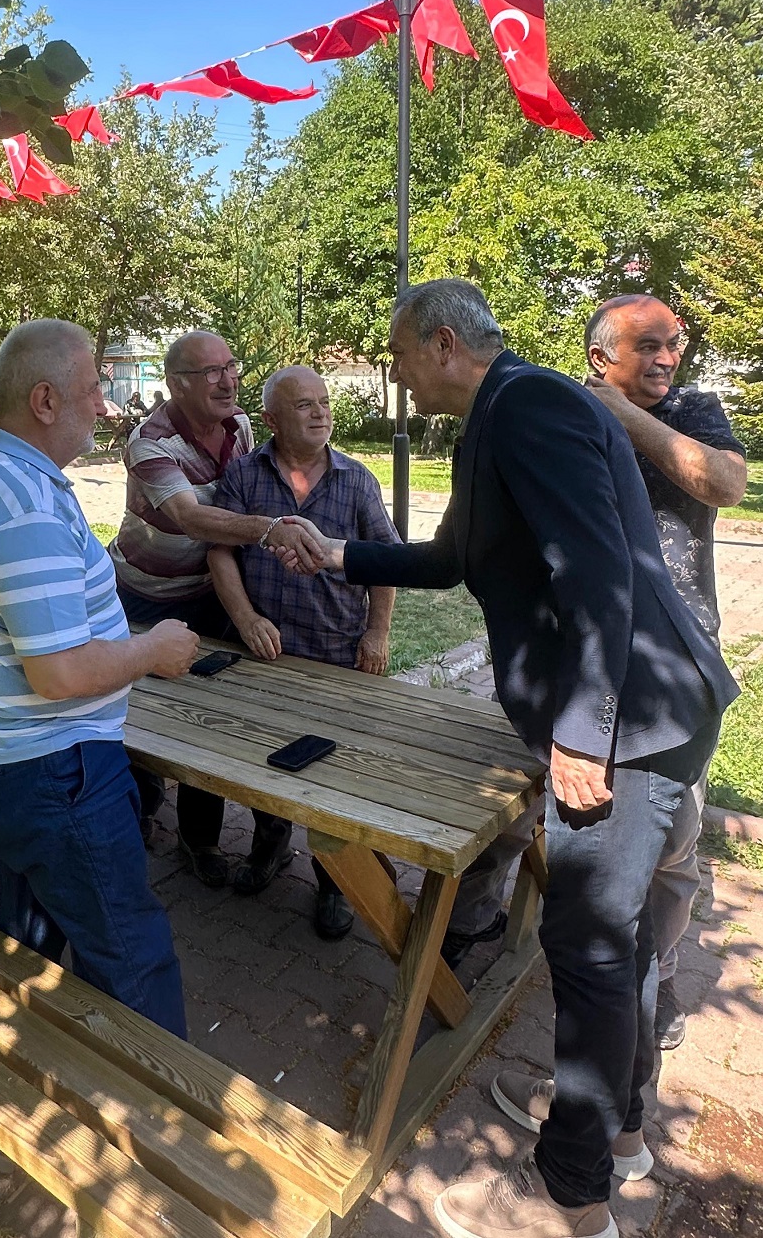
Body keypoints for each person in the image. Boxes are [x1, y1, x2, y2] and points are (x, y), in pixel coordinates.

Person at [282, 279, 738, 1238]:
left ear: (444, 342)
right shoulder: (497, 413)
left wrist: (582, 730)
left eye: (400, 354)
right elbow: (453, 558)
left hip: (633, 727)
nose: (396, 373)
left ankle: (568, 1199)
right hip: (637, 716)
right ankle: (618, 1133)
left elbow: (599, 572)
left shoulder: (529, 405)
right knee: (618, 947)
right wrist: (339, 554)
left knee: (591, 949)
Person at [0, 319, 198, 1036]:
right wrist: (152, 649)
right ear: (45, 400)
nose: (106, 405)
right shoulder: (26, 505)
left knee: (33, 923)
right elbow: (60, 671)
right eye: (93, 388)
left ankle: (35, 1051)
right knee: (131, 952)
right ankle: (157, 1099)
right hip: (52, 769)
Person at [586, 295, 746, 1049]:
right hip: (591, 657)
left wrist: (625, 415)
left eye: (673, 343)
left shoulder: (695, 411)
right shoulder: (571, 412)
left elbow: (725, 484)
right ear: (601, 357)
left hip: (682, 664)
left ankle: (662, 968)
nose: (667, 357)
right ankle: (490, 922)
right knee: (554, 809)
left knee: (675, 839)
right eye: (647, 345)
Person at [109, 330, 323, 885]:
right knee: (142, 714)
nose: (228, 381)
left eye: (231, 367)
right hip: (143, 597)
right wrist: (271, 529)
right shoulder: (150, 442)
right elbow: (190, 517)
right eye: (211, 372)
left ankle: (216, 838)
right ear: (175, 383)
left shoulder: (240, 426)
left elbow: (244, 495)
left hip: (211, 594)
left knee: (218, 720)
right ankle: (150, 817)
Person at [207, 365, 398, 938]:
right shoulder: (243, 475)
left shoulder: (356, 480)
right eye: (303, 404)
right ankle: (270, 845)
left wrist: (377, 632)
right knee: (265, 760)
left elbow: (384, 561)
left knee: (335, 776)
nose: (320, 413)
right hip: (267, 654)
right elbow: (219, 550)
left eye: (324, 402)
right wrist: (245, 618)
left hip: (335, 652)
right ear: (271, 418)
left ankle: (336, 881)